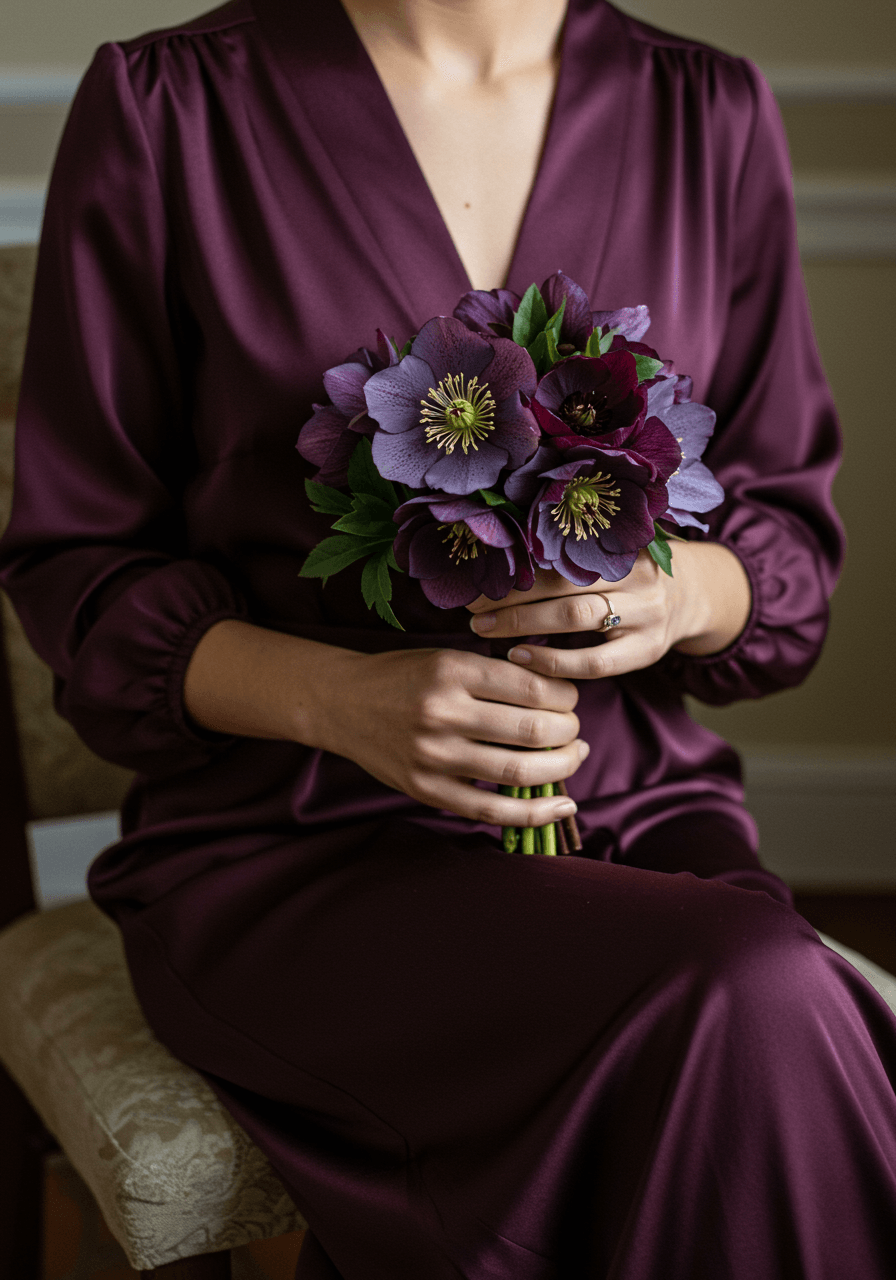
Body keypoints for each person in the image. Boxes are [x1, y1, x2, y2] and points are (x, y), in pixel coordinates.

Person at [2, 0, 895, 1274]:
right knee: (749, 997)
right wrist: (334, 699)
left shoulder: (709, 110)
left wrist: (680, 593)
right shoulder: (167, 106)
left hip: (639, 817)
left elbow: (785, 551)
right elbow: (75, 567)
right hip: (295, 843)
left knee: (743, 1001)